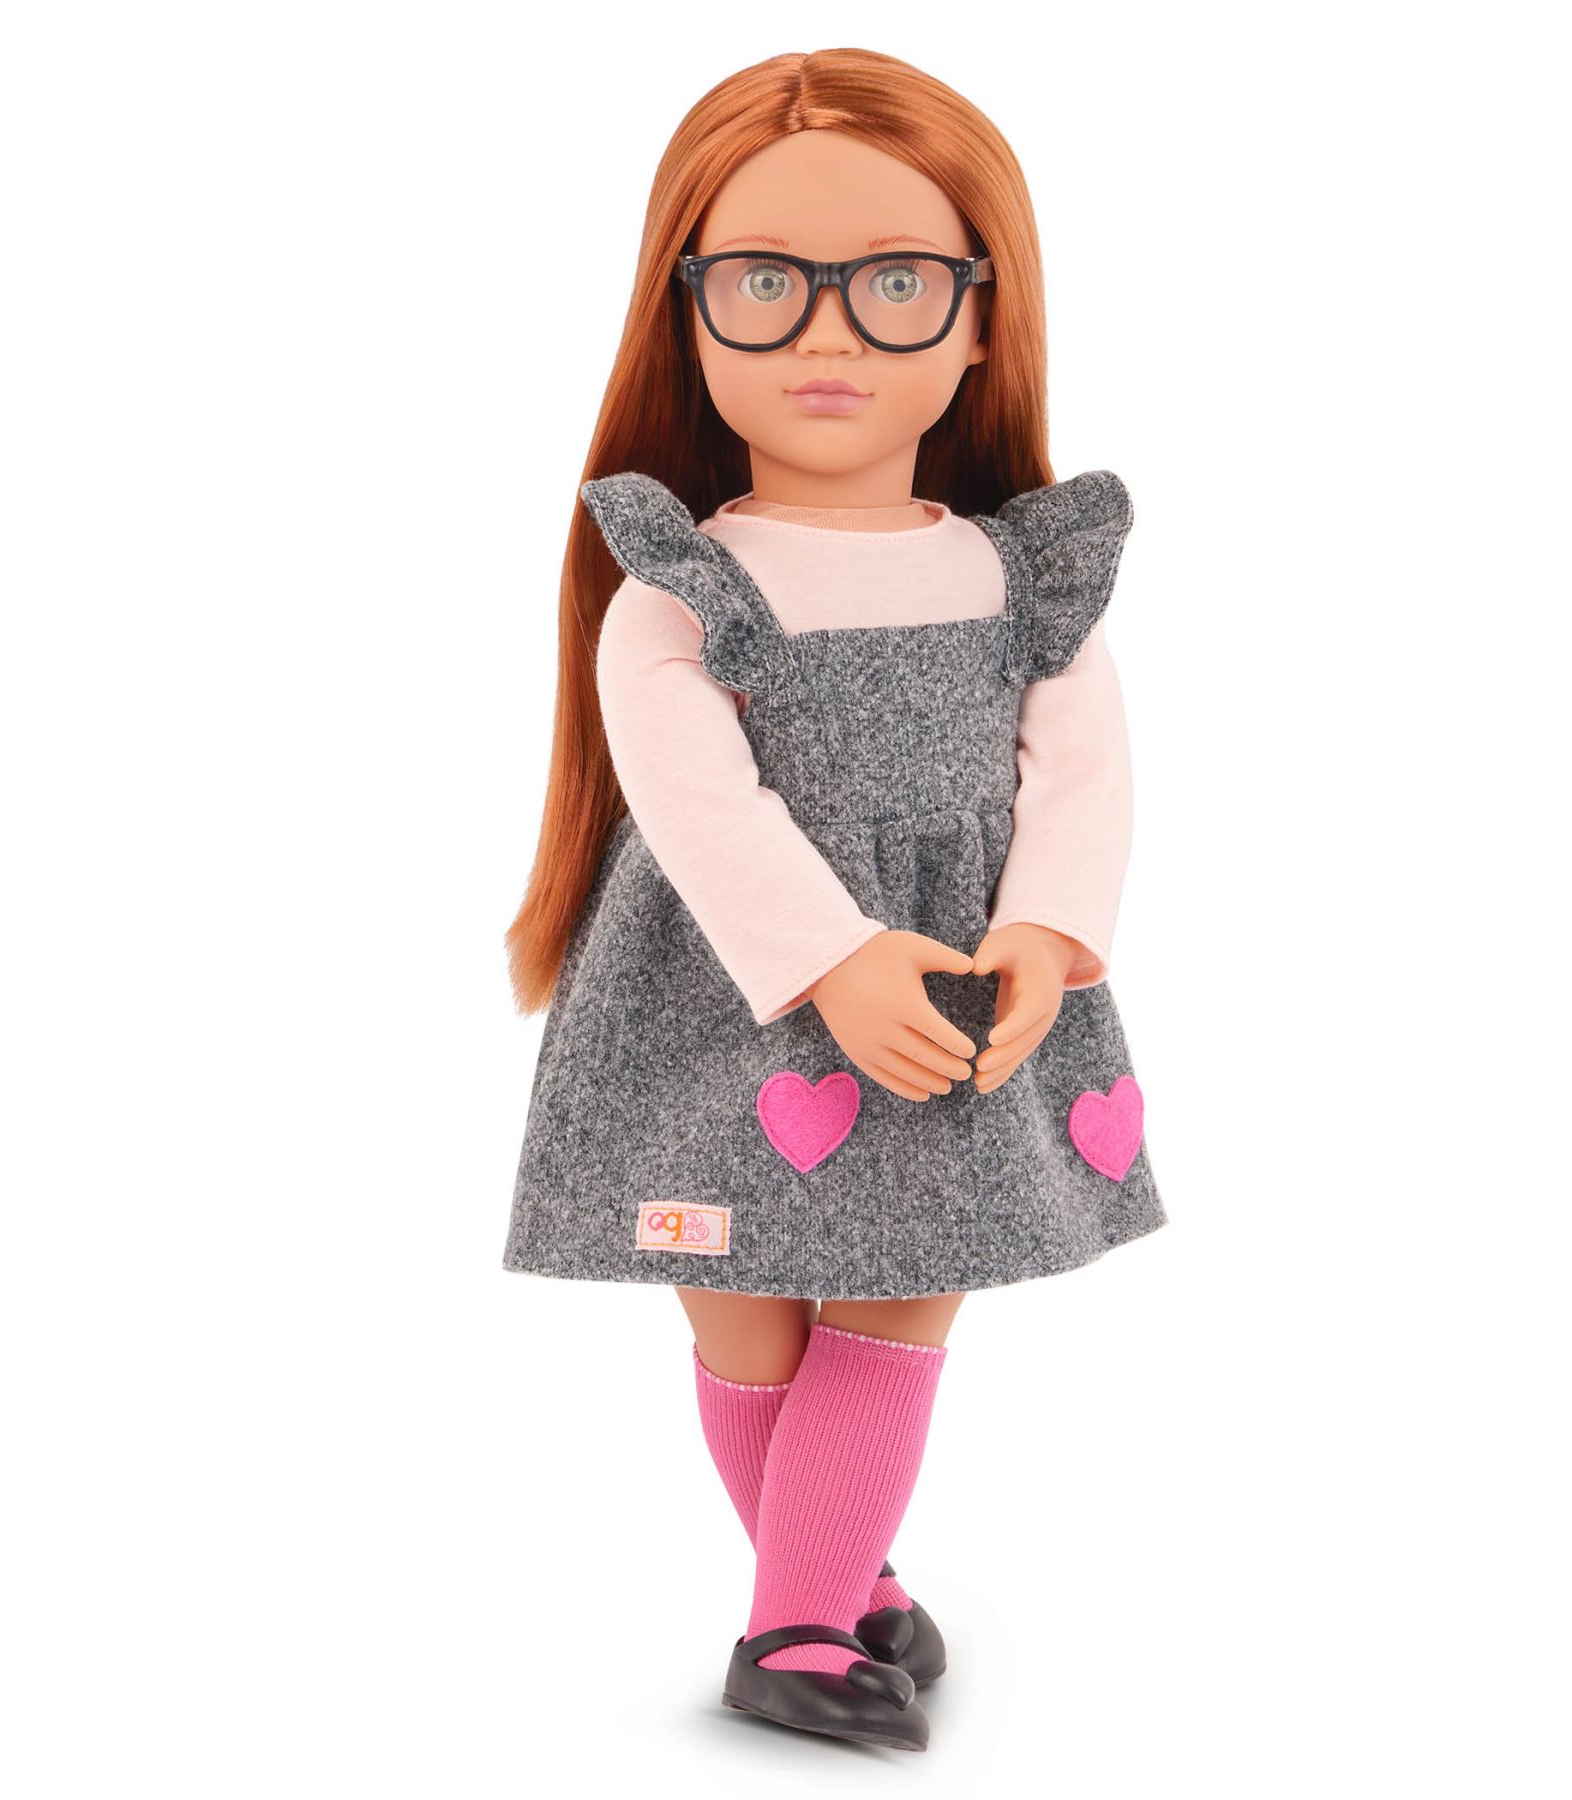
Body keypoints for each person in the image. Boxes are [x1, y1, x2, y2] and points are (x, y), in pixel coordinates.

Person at [503, 48, 1166, 1753]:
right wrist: (832, 960)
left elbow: (1082, 775)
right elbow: (694, 804)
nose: (827, 334)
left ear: (977, 318)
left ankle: (805, 1610)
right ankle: (822, 1595)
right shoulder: (679, 586)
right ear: (689, 311)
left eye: (892, 285)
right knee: (745, 1311)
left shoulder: (1022, 577)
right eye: (764, 283)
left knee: (901, 1291)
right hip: (717, 1006)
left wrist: (1044, 935)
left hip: (952, 996)